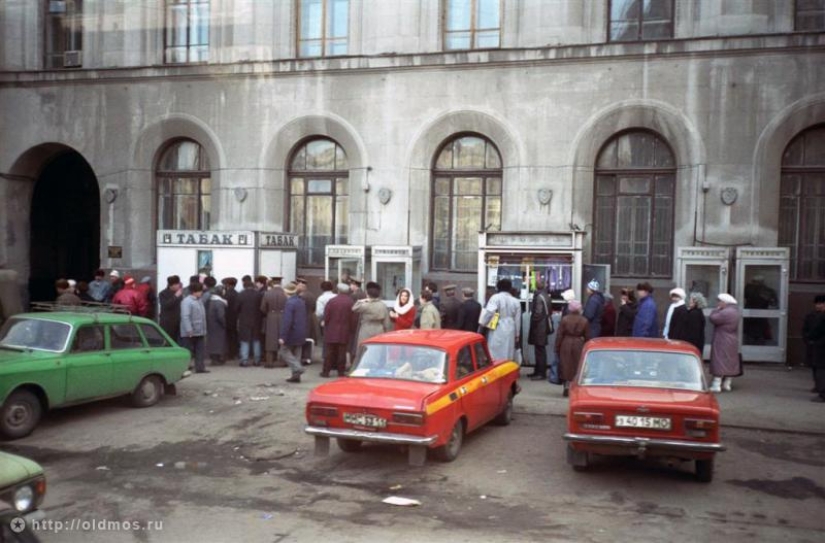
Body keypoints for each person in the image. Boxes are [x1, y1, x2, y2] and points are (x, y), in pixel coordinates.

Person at [555, 300, 590, 397]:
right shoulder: (584, 320)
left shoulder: (565, 319)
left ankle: (566, 384)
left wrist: (557, 347)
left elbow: (559, 335)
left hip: (566, 343)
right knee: (576, 365)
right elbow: (587, 336)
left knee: (565, 365)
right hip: (578, 343)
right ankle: (574, 387)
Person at [480, 278, 522, 361]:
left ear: (498, 287)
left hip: (498, 327)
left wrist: (483, 323)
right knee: (509, 352)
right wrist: (517, 335)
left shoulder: (495, 298)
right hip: (511, 328)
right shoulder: (516, 301)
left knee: (495, 352)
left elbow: (489, 312)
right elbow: (518, 320)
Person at [709, 293, 741, 393]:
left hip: (722, 338)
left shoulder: (725, 312)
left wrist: (716, 310)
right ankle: (727, 383)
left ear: (724, 302)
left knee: (719, 359)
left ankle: (716, 384)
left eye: (719, 301)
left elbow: (713, 318)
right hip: (732, 338)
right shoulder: (735, 311)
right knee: (730, 360)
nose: (718, 303)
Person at [322, 283, 356, 377]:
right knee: (342, 352)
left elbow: (326, 316)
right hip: (345, 331)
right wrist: (351, 329)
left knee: (329, 352)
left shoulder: (332, 301)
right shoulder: (350, 302)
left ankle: (326, 371)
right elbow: (353, 318)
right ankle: (340, 371)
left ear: (338, 291)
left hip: (331, 330)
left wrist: (326, 324)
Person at [280, 282, 308, 383]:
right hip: (301, 331)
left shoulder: (289, 303)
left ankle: (298, 368)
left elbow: (287, 321)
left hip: (292, 332)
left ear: (286, 292)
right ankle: (296, 376)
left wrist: (283, 336)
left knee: (284, 351)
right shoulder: (301, 301)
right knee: (297, 354)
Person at [353, 282, 392, 348]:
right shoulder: (383, 305)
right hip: (379, 329)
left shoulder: (365, 305)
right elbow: (387, 323)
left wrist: (361, 301)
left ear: (368, 294)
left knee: (364, 349)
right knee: (377, 349)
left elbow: (354, 308)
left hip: (366, 329)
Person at [527, 279, 552, 381]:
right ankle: (538, 371)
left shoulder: (539, 297)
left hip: (539, 327)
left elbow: (537, 313)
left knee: (539, 351)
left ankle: (540, 373)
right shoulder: (546, 296)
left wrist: (532, 323)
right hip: (543, 326)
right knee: (540, 350)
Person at [180, 282, 208, 374]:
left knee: (200, 350)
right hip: (190, 332)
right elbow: (185, 316)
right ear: (194, 292)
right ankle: (185, 367)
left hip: (200, 330)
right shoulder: (187, 301)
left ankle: (200, 367)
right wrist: (189, 329)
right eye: (200, 291)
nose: (201, 293)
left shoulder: (199, 300)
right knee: (188, 351)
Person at [802, 294, 825, 402]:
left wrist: (810, 338)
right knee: (816, 367)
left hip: (820, 345)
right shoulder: (811, 315)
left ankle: (822, 393)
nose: (819, 306)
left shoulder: (821, 317)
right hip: (816, 345)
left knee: (820, 369)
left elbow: (816, 331)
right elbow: (806, 329)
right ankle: (819, 388)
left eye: (821, 303)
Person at [260, 277, 287, 368]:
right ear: (280, 282)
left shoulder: (267, 294)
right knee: (283, 339)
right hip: (283, 316)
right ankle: (283, 361)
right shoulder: (285, 293)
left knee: (270, 339)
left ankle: (269, 362)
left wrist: (269, 312)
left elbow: (263, 308)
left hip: (271, 317)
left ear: (272, 283)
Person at [236, 277, 263, 367]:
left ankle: (244, 360)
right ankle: (257, 360)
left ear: (244, 286)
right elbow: (262, 308)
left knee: (245, 340)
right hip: (257, 320)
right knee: (256, 340)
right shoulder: (258, 295)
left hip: (244, 320)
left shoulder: (240, 295)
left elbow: (236, 309)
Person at [297, 277, 320, 365]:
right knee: (309, 338)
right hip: (311, 318)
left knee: (303, 339)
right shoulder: (312, 295)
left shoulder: (300, 296)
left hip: (302, 319)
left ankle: (303, 357)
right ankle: (308, 357)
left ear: (301, 286)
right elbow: (314, 308)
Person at [206, 284, 227, 366]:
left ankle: (214, 358)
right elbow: (220, 315)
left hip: (211, 324)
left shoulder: (211, 301)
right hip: (218, 325)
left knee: (212, 342)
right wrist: (224, 323)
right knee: (218, 342)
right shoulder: (219, 302)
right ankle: (216, 359)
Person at [158, 275, 183, 342]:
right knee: (168, 341)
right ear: (171, 285)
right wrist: (175, 296)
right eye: (177, 284)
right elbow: (165, 305)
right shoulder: (163, 294)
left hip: (178, 322)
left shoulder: (181, 293)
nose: (179, 286)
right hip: (167, 323)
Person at [222, 277, 239, 360]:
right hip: (235, 318)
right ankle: (234, 352)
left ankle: (230, 354)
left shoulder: (227, 294)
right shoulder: (237, 293)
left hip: (228, 318)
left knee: (229, 337)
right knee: (234, 336)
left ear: (228, 285)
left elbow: (224, 306)